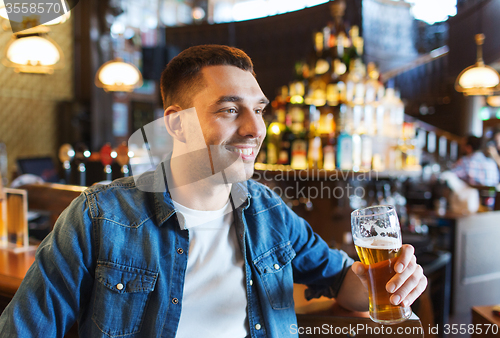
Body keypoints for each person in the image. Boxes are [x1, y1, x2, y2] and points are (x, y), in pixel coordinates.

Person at [0, 45, 427, 337]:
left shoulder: (268, 211)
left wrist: (385, 281)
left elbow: (343, 284)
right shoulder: (99, 216)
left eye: (258, 110)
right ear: (176, 123)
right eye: (229, 110)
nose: (254, 128)